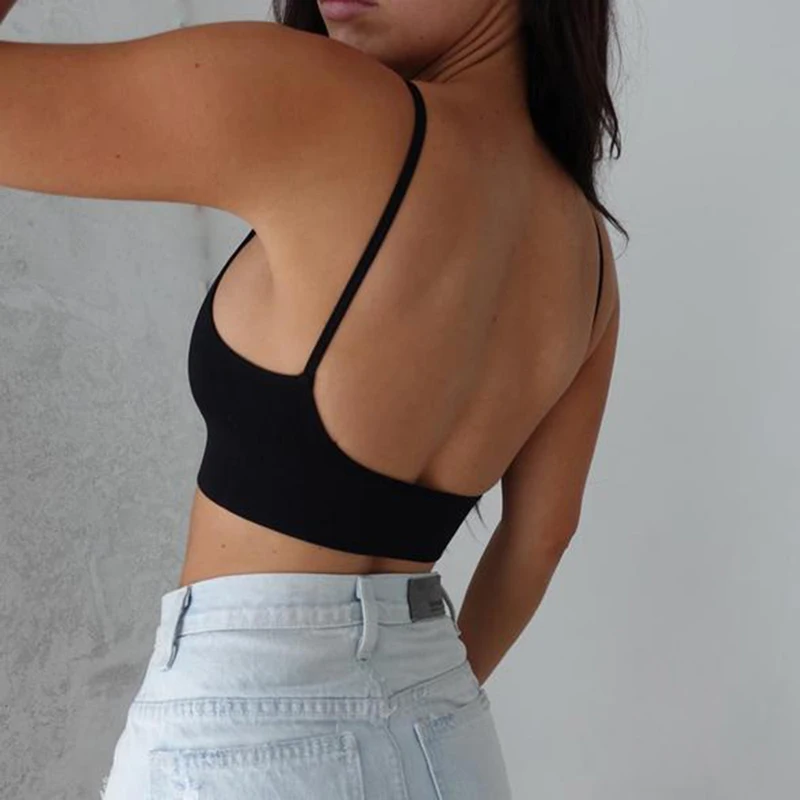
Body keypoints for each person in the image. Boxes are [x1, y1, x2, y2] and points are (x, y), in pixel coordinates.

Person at [1, 0, 625, 797]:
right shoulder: (586, 251)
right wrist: (411, 693)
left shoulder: (331, 107)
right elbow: (543, 536)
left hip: (247, 735)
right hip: (449, 746)